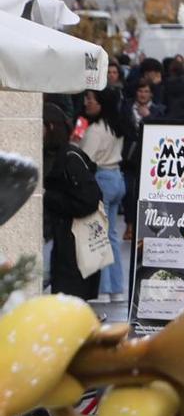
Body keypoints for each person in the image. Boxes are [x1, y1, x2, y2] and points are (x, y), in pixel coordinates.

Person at [43, 103, 102, 300]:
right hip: (61, 242)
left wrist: (48, 198)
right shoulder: (54, 155)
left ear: (50, 127)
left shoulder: (68, 158)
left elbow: (88, 200)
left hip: (70, 244)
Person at [78, 88, 127, 303]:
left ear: (101, 103)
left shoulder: (96, 130)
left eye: (90, 99)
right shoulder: (116, 127)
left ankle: (102, 289)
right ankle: (116, 288)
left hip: (102, 179)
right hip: (117, 177)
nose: (86, 102)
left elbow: (83, 159)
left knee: (99, 234)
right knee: (112, 235)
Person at [119, 79, 164, 241]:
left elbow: (161, 131)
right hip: (129, 158)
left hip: (150, 159)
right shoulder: (126, 108)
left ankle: (150, 227)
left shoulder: (159, 111)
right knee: (129, 192)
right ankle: (130, 225)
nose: (143, 94)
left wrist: (148, 117)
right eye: (140, 91)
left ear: (151, 93)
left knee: (149, 194)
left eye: (146, 91)